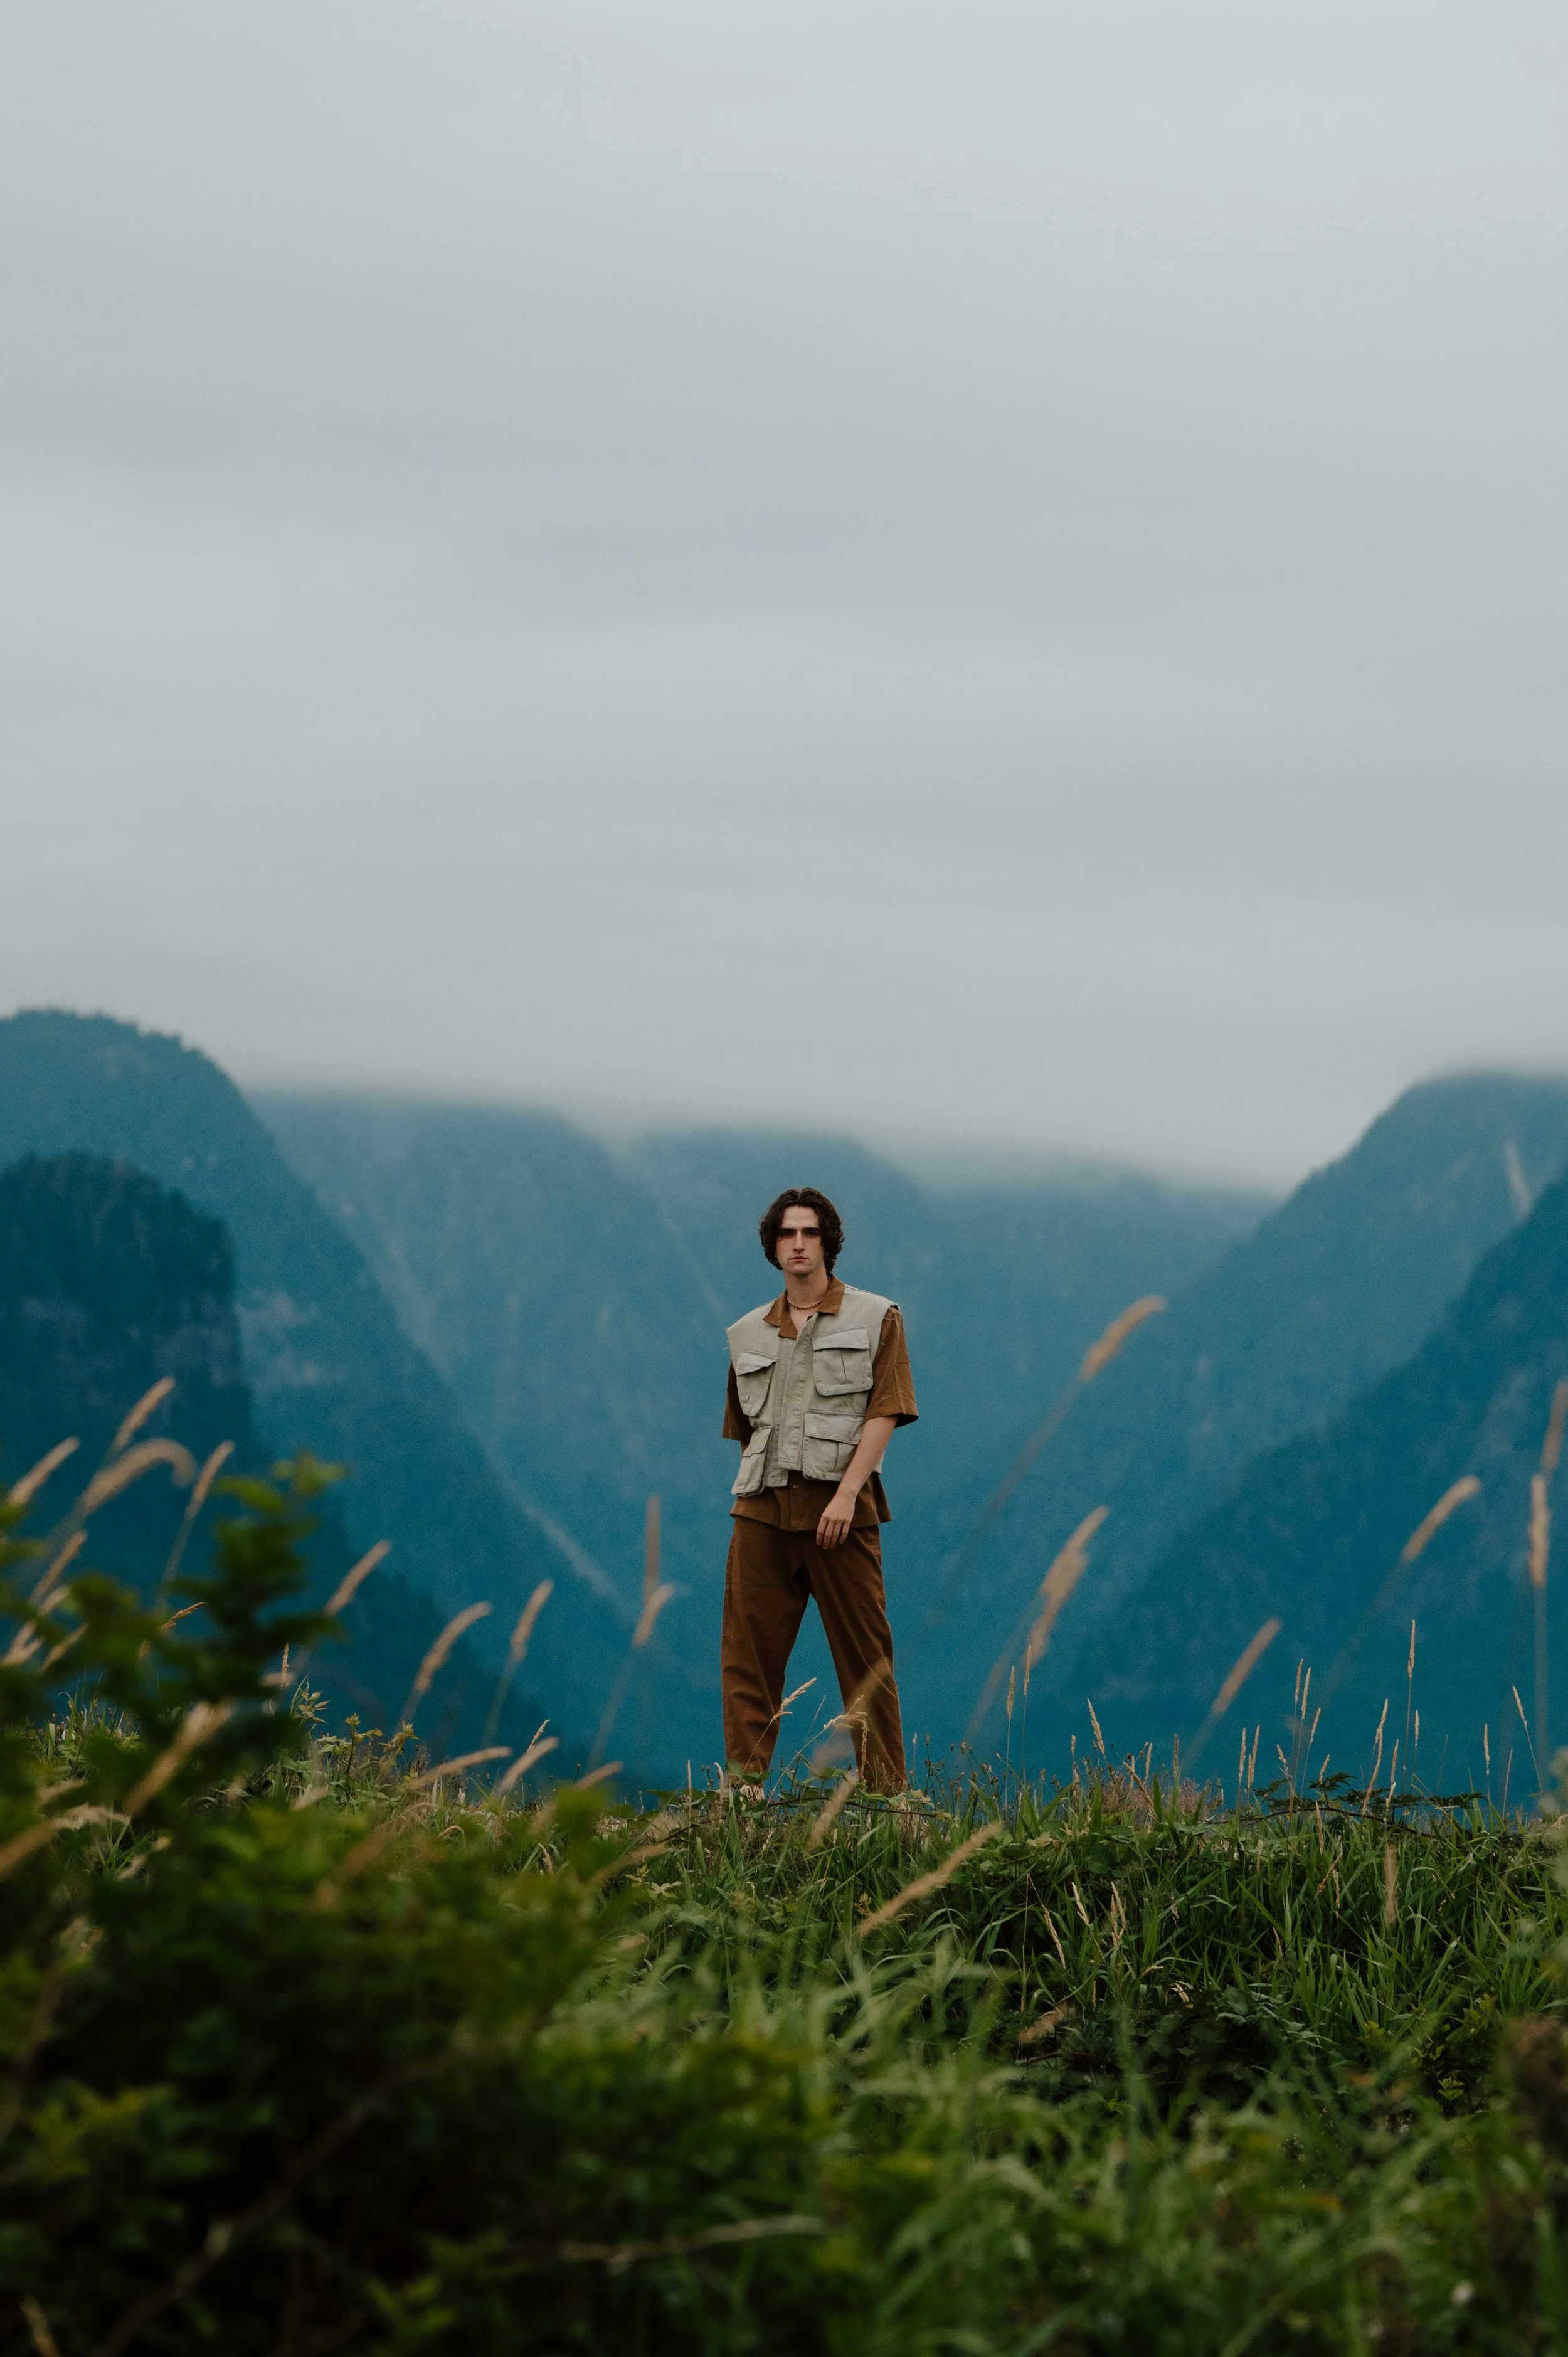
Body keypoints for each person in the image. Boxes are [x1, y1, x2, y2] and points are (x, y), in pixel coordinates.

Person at [721, 1187, 918, 1793]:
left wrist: (845, 1494)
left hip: (841, 1513)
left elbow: (885, 1411)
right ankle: (743, 1793)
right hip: (761, 1511)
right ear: (773, 1247)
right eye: (787, 1234)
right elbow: (745, 1427)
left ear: (827, 1241)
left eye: (808, 1233)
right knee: (747, 1658)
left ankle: (889, 1801)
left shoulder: (876, 1317)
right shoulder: (747, 1331)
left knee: (866, 1660)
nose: (798, 1244)